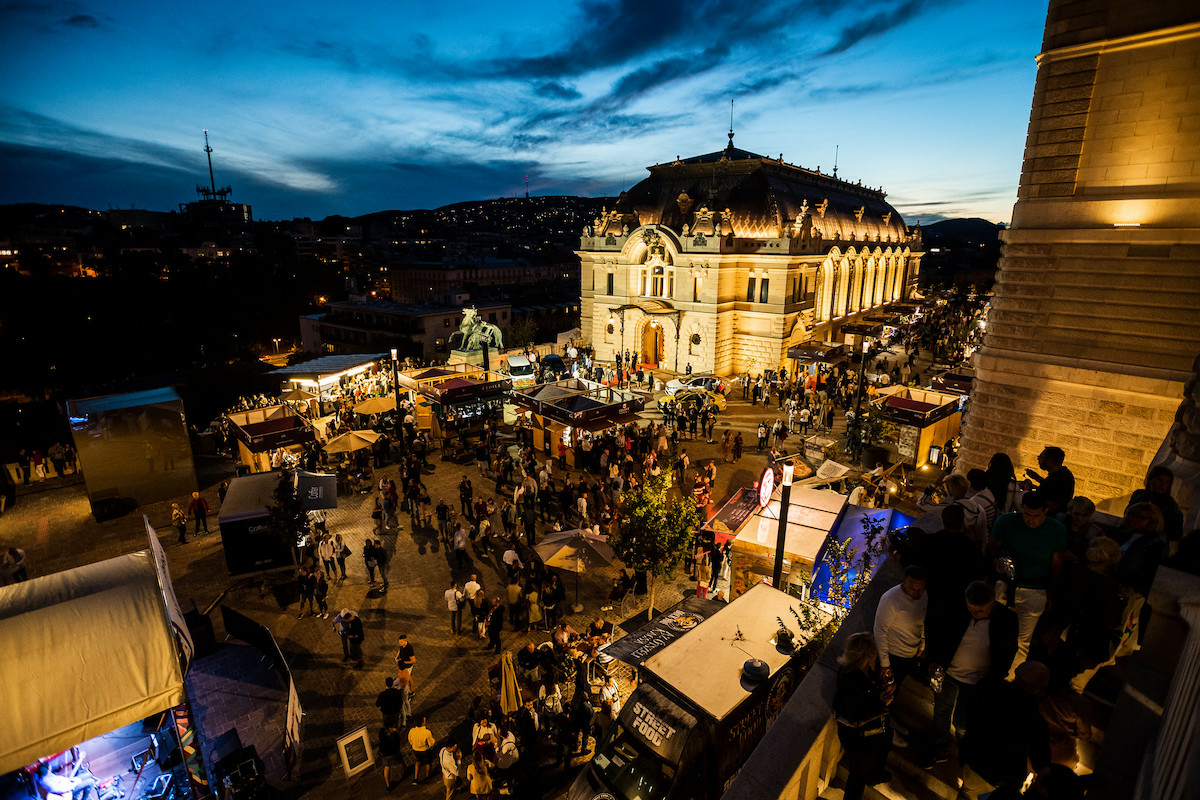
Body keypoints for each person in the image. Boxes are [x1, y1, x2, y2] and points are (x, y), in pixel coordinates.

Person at [923, 580, 1018, 766]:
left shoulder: (1007, 620)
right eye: (970, 608)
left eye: (979, 611)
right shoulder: (956, 608)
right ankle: (940, 748)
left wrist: (994, 680)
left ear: (992, 605)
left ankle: (965, 750)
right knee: (941, 711)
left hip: (978, 681)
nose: (973, 613)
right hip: (948, 674)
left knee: (963, 722)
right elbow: (937, 633)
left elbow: (1008, 652)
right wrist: (932, 661)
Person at [990, 492, 1068, 673]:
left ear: (1045, 511)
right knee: (994, 631)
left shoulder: (1056, 530)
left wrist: (1051, 593)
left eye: (1036, 516)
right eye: (1026, 514)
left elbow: (1057, 564)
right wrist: (996, 562)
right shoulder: (1006, 522)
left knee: (1022, 640)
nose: (1030, 520)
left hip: (1035, 589)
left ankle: (1011, 678)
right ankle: (991, 671)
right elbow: (993, 547)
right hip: (1005, 585)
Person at [832, 633, 893, 800]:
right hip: (859, 739)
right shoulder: (851, 679)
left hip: (870, 734)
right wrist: (882, 703)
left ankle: (876, 773)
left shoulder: (862, 670)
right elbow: (855, 713)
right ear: (867, 655)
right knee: (856, 779)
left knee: (886, 740)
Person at [1128, 465, 1184, 542]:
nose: (1163, 485)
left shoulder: (1171, 506)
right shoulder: (1138, 495)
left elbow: (1175, 534)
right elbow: (1128, 514)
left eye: (1167, 482)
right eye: (1160, 480)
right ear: (1151, 479)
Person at [1021, 446, 1074, 515]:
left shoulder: (1061, 477)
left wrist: (1027, 492)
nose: (1038, 460)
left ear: (1050, 460)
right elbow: (1050, 487)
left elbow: (1051, 502)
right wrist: (1037, 478)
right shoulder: (1062, 474)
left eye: (1040, 458)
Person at [378, 720, 406, 791]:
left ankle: (388, 785)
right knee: (401, 761)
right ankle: (406, 771)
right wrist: (397, 733)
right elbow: (398, 742)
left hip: (384, 754)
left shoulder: (382, 732)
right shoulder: (394, 735)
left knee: (386, 768)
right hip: (394, 753)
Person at [409, 716, 437, 784]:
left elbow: (410, 740)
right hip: (425, 750)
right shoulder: (427, 732)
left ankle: (415, 778)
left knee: (418, 761)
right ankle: (427, 776)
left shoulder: (412, 731)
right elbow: (431, 743)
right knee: (428, 762)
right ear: (422, 723)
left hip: (416, 750)